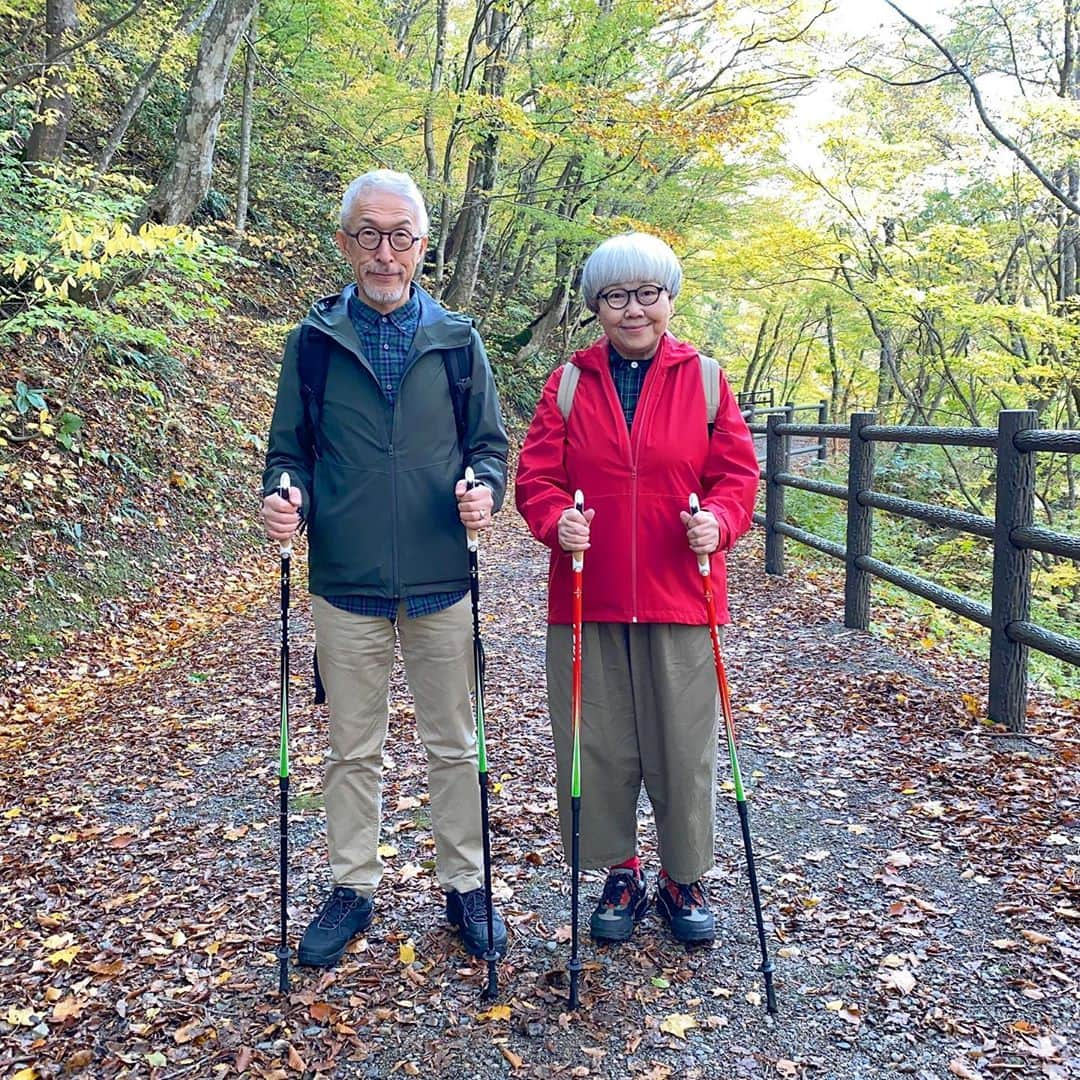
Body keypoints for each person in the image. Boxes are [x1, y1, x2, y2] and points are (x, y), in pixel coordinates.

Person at [260, 169, 509, 969]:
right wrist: (282, 497)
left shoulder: (459, 341)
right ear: (344, 242)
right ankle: (351, 885)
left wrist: (487, 492)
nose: (384, 251)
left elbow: (489, 448)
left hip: (442, 572)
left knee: (453, 742)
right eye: (367, 233)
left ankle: (466, 885)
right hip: (346, 576)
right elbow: (286, 454)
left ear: (423, 247)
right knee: (350, 748)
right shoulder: (312, 342)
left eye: (400, 235)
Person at [515, 232, 759, 946]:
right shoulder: (567, 383)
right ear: (595, 306)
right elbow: (537, 477)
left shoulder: (706, 380)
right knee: (596, 743)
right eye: (616, 296)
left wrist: (718, 521)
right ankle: (617, 870)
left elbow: (737, 477)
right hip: (587, 595)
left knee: (683, 746)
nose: (633, 310)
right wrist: (557, 520)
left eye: (646, 294)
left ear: (669, 299)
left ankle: (684, 876)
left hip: (681, 593)